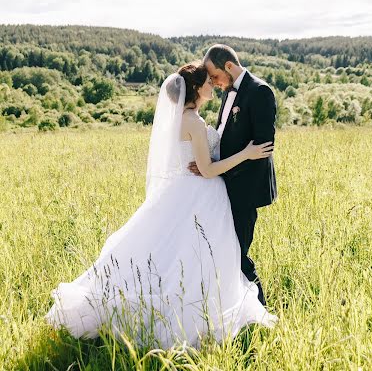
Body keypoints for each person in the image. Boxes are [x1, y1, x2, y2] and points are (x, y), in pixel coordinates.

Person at [44, 62, 278, 348]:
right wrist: (247, 153)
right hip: (201, 195)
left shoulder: (181, 119)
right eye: (208, 81)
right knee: (197, 260)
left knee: (180, 256)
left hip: (184, 192)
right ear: (195, 88)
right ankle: (194, 318)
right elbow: (206, 169)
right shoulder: (193, 121)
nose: (213, 85)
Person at [188, 45, 277, 306]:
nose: (213, 82)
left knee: (238, 252)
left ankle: (261, 310)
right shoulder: (228, 93)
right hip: (222, 183)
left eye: (214, 76)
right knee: (224, 250)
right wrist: (210, 164)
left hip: (245, 188)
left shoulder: (260, 92)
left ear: (228, 66)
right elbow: (225, 134)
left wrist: (220, 166)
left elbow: (263, 146)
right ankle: (231, 307)